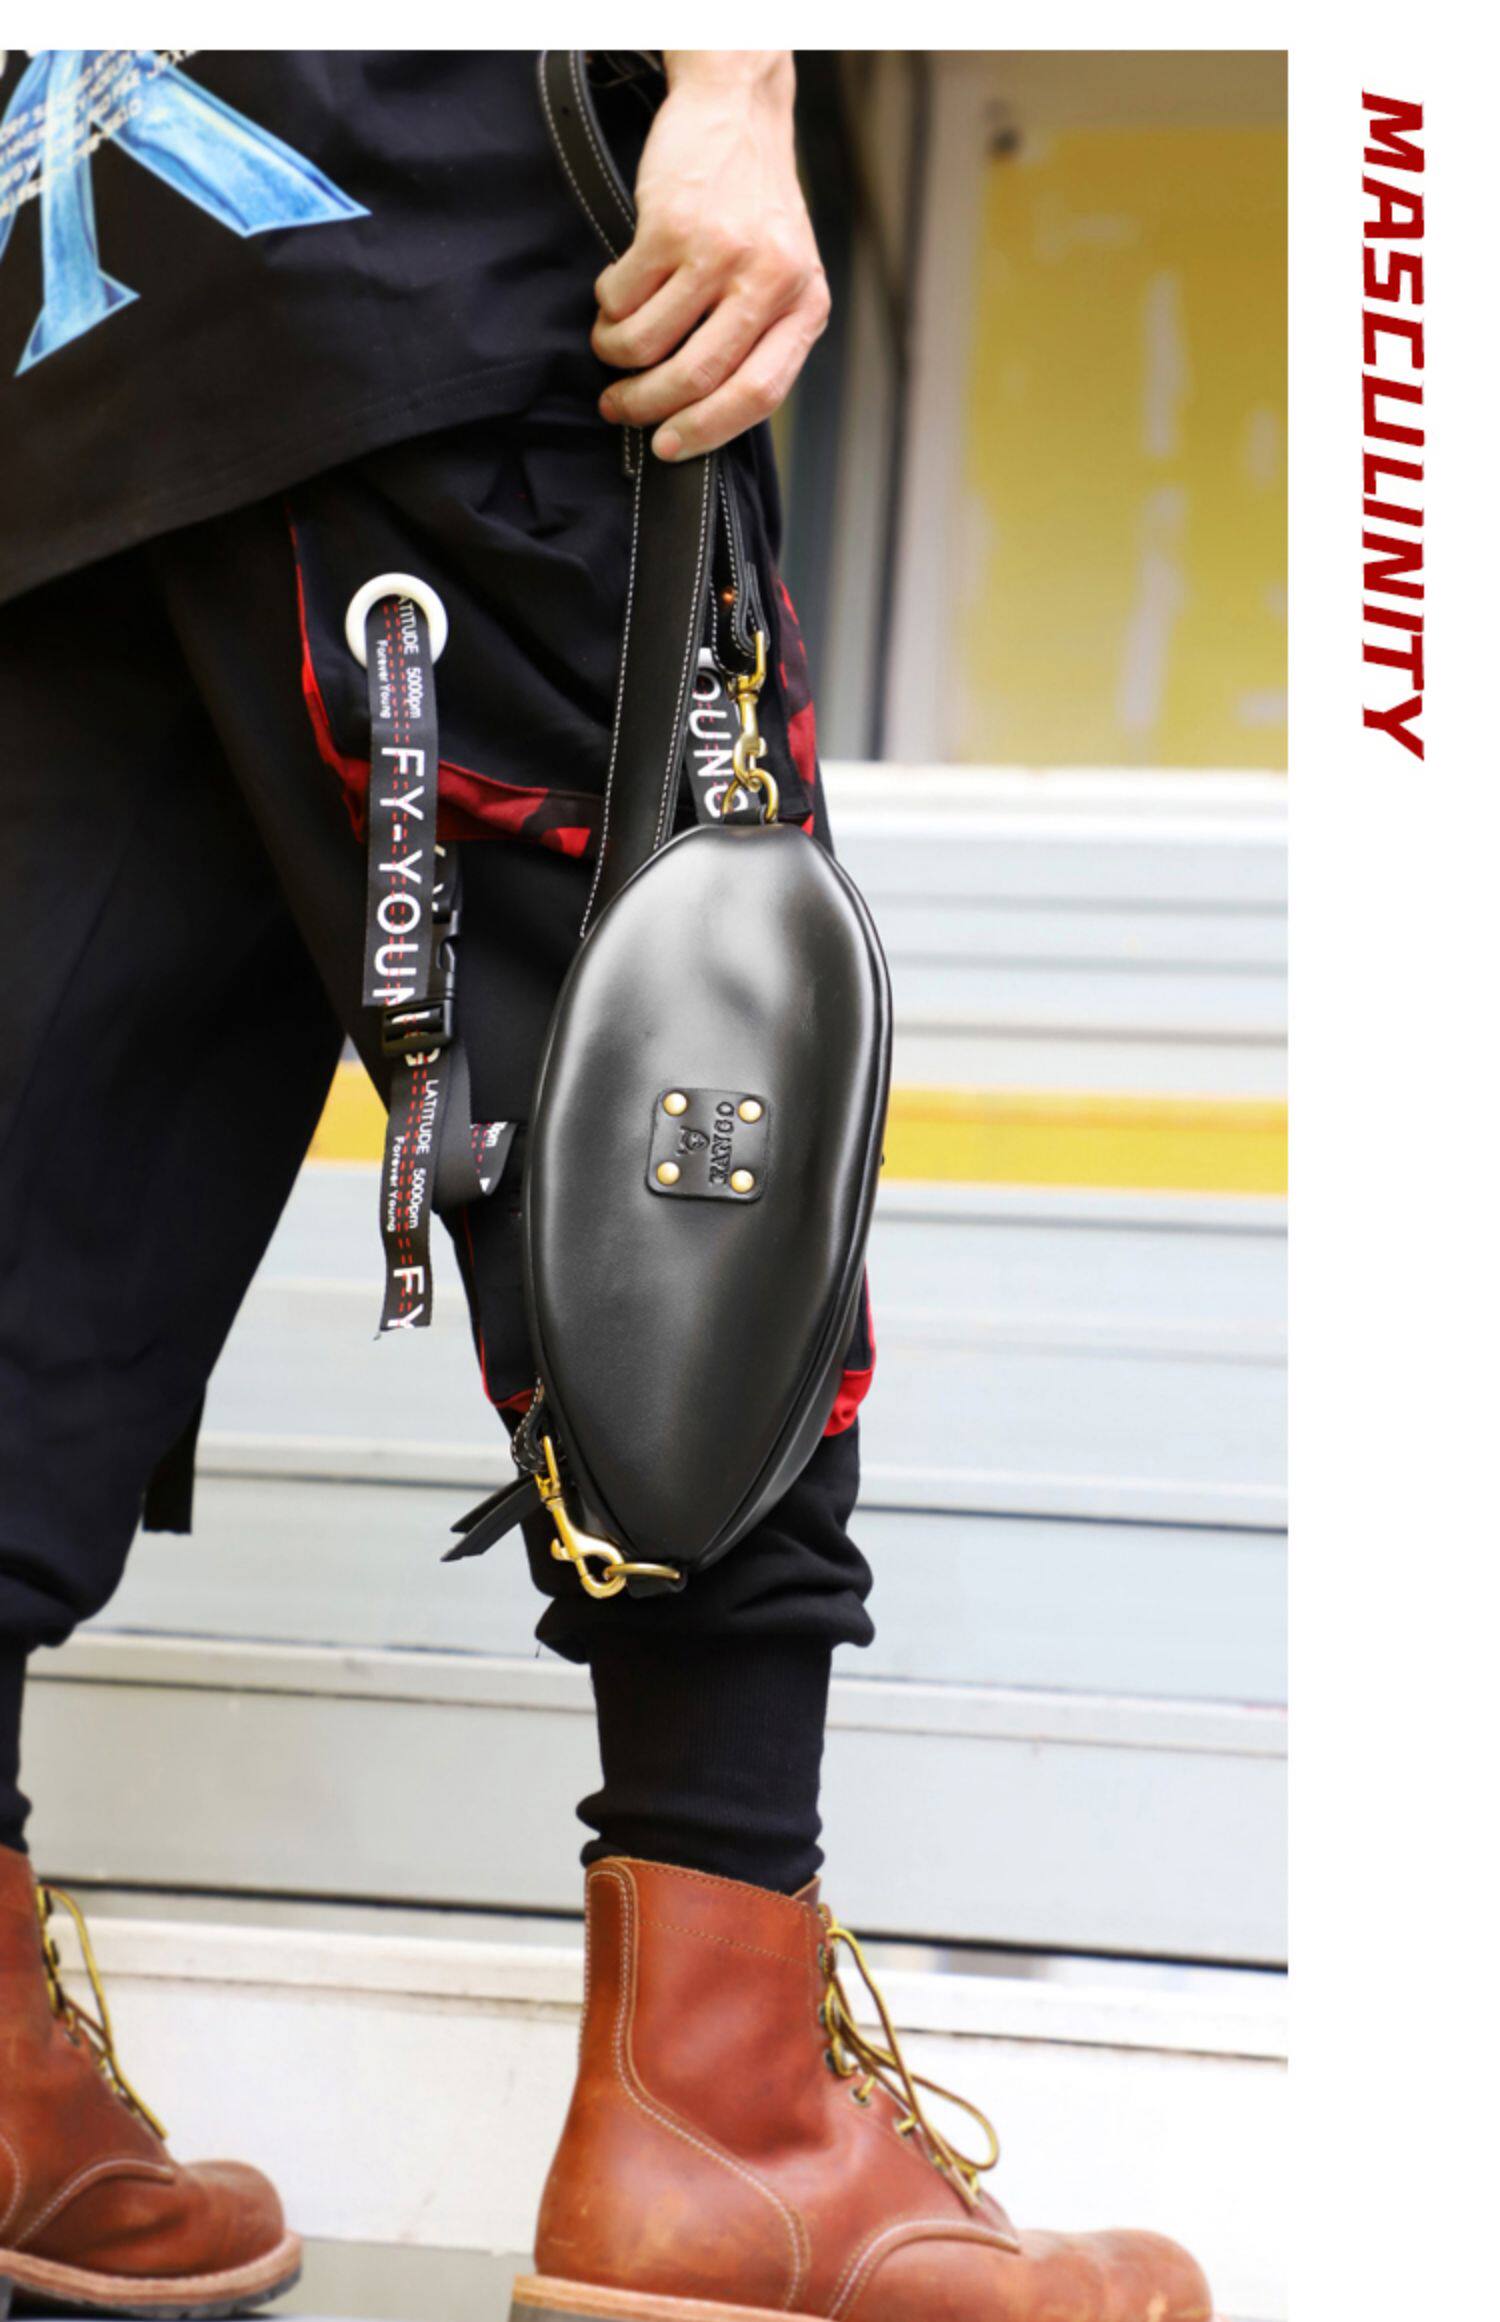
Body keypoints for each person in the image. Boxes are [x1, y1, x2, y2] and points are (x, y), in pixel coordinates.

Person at [0, 48, 1213, 2322]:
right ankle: (721, 2128)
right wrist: (734, 76)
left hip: (69, 296)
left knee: (39, 1167)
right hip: (437, 228)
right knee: (703, 1098)